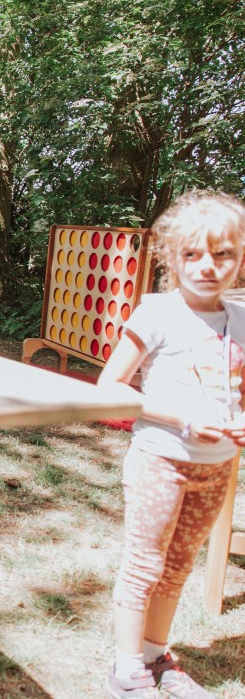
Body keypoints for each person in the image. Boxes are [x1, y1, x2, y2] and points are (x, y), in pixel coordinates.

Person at [98, 190, 245, 698]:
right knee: (145, 564)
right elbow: (109, 388)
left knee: (180, 565)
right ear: (171, 257)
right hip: (161, 461)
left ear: (240, 258)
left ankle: (157, 654)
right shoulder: (156, 312)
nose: (208, 266)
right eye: (193, 254)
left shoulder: (243, 320)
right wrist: (183, 421)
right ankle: (126, 667)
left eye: (223, 254)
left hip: (218, 467)